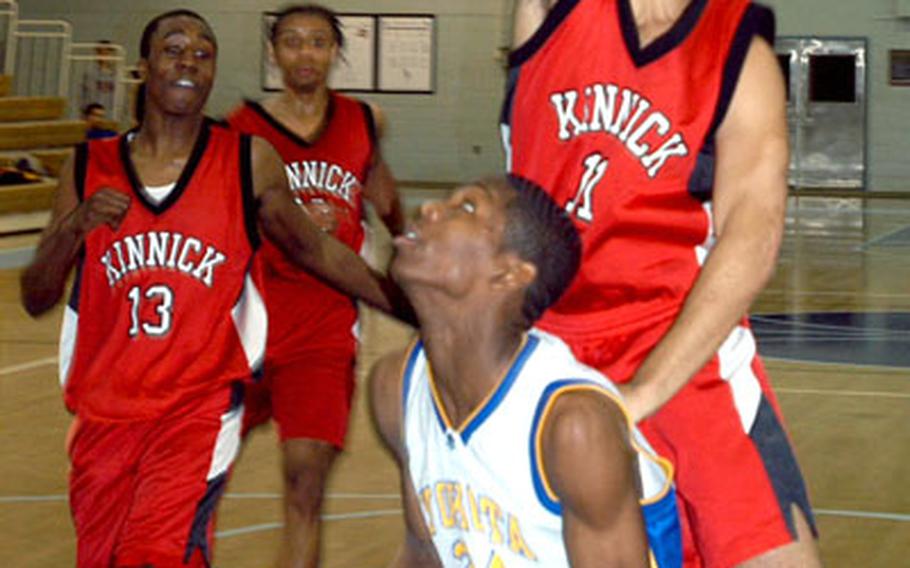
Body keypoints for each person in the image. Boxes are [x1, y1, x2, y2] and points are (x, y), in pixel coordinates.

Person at [20, 10, 402, 567]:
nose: (189, 62)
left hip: (201, 404)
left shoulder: (246, 159)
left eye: (203, 54)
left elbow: (317, 250)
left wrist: (417, 309)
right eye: (174, 49)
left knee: (165, 550)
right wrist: (73, 228)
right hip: (106, 412)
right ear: (144, 67)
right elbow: (35, 296)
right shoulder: (88, 165)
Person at [501, 1, 820, 566]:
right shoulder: (550, 10)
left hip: (680, 347)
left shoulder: (740, 52)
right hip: (547, 348)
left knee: (777, 557)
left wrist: (645, 392)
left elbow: (752, 236)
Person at [370, 176, 683, 567]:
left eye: (468, 208)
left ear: (510, 274)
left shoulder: (572, 423)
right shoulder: (396, 388)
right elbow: (424, 552)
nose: (429, 209)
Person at [226, 5, 403, 567]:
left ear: (335, 53)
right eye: (293, 42)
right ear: (274, 52)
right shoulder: (240, 127)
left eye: (319, 42)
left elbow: (385, 200)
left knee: (304, 487)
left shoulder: (363, 120)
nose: (306, 53)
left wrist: (410, 251)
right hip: (247, 325)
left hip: (324, 328)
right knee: (198, 478)